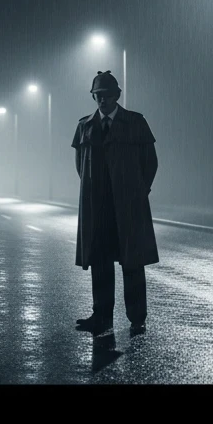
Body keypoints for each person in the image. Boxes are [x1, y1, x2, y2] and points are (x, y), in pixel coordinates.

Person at [71, 70, 159, 334]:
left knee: (132, 262)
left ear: (117, 96)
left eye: (107, 95)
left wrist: (138, 192)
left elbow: (150, 163)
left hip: (128, 205)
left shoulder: (135, 122)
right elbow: (80, 167)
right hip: (98, 206)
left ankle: (137, 318)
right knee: (100, 262)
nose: (102, 101)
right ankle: (102, 317)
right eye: (98, 96)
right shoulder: (85, 125)